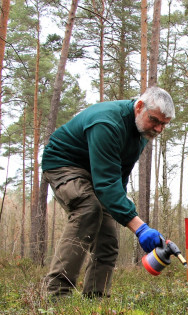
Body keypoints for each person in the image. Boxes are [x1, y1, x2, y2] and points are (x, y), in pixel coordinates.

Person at [41, 86, 175, 298]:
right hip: (64, 164)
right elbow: (106, 183)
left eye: (164, 125)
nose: (158, 129)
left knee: (108, 238)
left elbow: (119, 175)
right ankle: (56, 296)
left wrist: (120, 212)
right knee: (88, 209)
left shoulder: (141, 131)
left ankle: (96, 298)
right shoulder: (107, 123)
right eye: (155, 120)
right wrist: (140, 228)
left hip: (98, 173)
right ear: (139, 107)